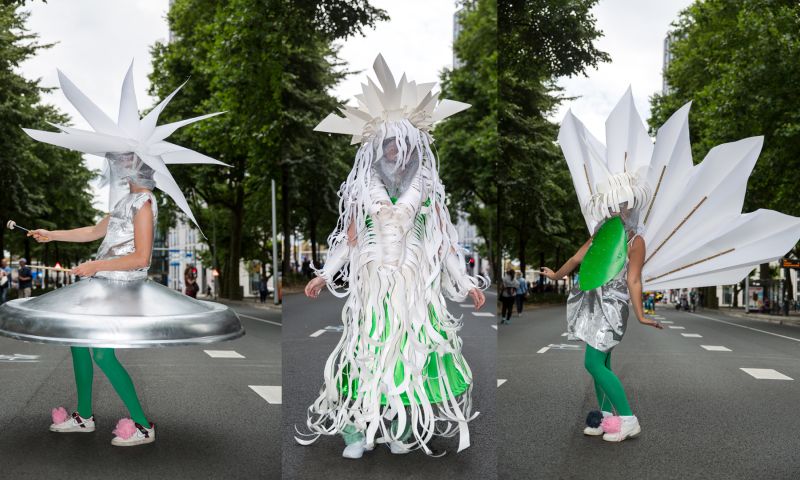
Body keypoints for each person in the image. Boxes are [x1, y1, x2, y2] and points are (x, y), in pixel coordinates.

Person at [0, 65, 243, 447]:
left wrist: (96, 265)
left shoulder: (144, 202)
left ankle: (143, 424)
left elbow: (141, 257)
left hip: (121, 287)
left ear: (137, 161)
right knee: (78, 343)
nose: (115, 162)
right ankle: (83, 417)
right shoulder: (124, 200)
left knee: (103, 356)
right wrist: (52, 234)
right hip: (101, 283)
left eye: (121, 156)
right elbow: (96, 232)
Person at [552, 89, 800, 443]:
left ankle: (627, 417)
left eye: (620, 205)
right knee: (602, 363)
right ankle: (606, 417)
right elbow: (578, 258)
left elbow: (634, 279)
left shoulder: (636, 241)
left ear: (629, 206)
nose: (615, 210)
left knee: (592, 363)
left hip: (614, 304)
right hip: (594, 298)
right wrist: (555, 274)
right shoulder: (603, 233)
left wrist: (638, 314)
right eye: (612, 205)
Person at [297, 55, 488, 458]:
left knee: (408, 356)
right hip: (372, 293)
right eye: (387, 146)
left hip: (414, 292)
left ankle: (400, 428)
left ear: (412, 151)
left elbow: (445, 244)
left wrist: (467, 282)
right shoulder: (362, 191)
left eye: (400, 147)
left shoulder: (429, 194)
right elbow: (349, 240)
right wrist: (325, 274)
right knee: (364, 353)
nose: (394, 153)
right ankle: (357, 432)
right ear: (376, 150)